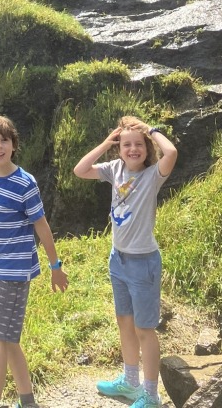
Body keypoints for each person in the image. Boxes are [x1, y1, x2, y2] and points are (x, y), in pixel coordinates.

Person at [73, 117, 177, 408]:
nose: (133, 149)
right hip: (117, 259)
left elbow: (171, 153)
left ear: (147, 148)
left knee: (145, 329)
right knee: (125, 323)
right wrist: (107, 142)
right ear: (119, 148)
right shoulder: (114, 169)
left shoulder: (153, 175)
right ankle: (131, 382)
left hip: (143, 262)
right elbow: (80, 170)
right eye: (126, 144)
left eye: (139, 144)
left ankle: (151, 394)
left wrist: (150, 129)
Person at [0, 114, 69, 408]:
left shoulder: (25, 183)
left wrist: (56, 267)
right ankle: (27, 400)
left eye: (4, 140)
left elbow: (41, 225)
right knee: (8, 339)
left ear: (14, 145)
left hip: (14, 273)